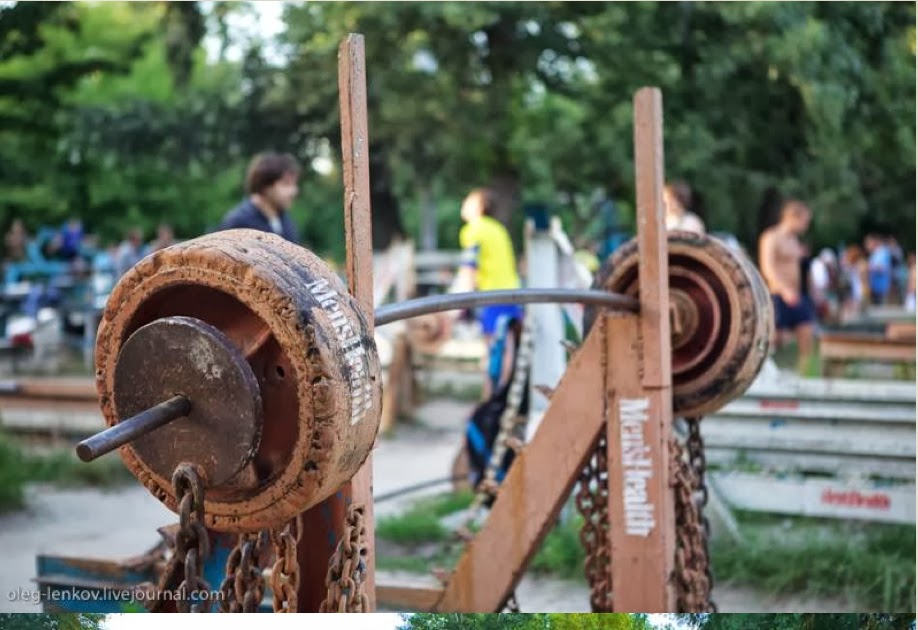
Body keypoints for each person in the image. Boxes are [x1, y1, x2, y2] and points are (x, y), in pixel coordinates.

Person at [451, 188, 522, 398]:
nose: (463, 205)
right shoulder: (499, 229)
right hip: (513, 293)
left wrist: (457, 302)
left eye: (468, 201)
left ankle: (490, 399)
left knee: (492, 348)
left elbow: (469, 267)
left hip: (492, 295)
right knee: (507, 346)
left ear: (480, 206)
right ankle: (502, 397)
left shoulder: (474, 229)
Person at [758, 199, 814, 373]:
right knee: (773, 339)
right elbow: (768, 268)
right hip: (778, 294)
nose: (806, 226)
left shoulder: (795, 241)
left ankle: (805, 374)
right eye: (804, 221)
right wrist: (784, 290)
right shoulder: (771, 237)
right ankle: (763, 372)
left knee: (806, 333)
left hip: (797, 294)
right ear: (792, 217)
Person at [217, 152, 300, 243]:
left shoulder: (286, 222)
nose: (294, 191)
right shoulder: (239, 223)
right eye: (286, 184)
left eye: (294, 184)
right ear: (265, 186)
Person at [864, 233, 892, 306]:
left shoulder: (883, 252)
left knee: (881, 313)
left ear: (874, 242)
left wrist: (868, 267)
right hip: (875, 288)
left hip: (881, 289)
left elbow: (883, 268)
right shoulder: (874, 254)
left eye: (868, 243)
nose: (866, 246)